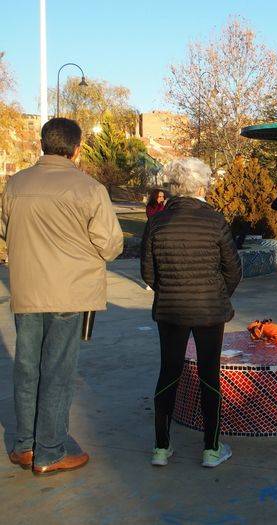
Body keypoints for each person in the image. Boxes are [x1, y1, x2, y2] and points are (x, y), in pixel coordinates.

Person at [0, 118, 123, 475]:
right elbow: (111, 245)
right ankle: (51, 451)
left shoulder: (15, 184)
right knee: (57, 370)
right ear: (76, 148)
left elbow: (5, 228)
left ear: (42, 144)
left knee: (26, 366)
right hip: (69, 293)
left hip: (26, 290)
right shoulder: (88, 189)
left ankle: (24, 446)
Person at [141, 164, 242, 468]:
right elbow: (233, 269)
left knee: (168, 372)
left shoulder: (157, 222)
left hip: (171, 310)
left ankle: (161, 446)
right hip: (209, 309)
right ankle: (211, 449)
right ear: (201, 187)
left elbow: (148, 271)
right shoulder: (214, 220)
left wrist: (170, 289)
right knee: (209, 374)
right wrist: (217, 293)